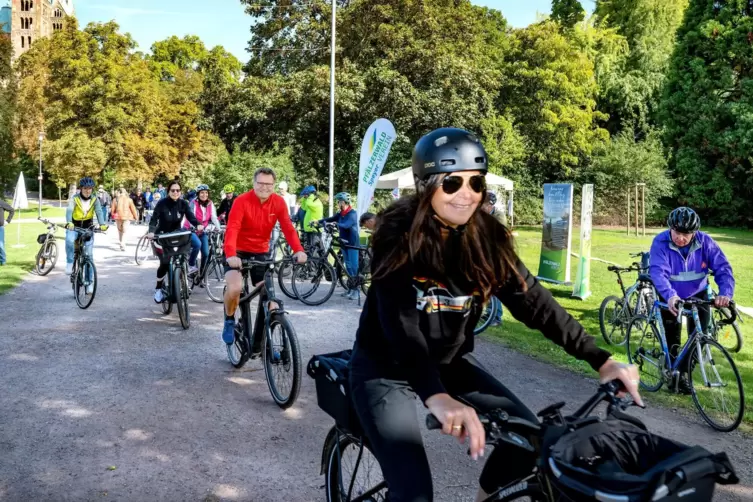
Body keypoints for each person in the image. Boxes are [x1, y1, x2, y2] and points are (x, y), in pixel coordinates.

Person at [347, 127, 642, 502]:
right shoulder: (397, 236)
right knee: (414, 493)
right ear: (426, 186)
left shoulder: (486, 238)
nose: (466, 194)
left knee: (529, 441)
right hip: (384, 369)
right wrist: (435, 395)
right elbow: (401, 325)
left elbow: (533, 302)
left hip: (446, 364)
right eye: (452, 183)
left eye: (476, 182)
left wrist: (600, 360)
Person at [649, 206, 734, 393]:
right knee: (673, 337)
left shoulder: (706, 242)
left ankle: (683, 374)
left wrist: (725, 293)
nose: (681, 238)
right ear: (670, 228)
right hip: (670, 294)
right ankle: (671, 374)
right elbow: (658, 272)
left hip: (699, 293)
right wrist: (670, 296)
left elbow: (723, 268)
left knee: (701, 335)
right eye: (677, 232)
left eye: (686, 234)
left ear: (694, 232)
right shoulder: (660, 242)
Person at [221, 168, 307, 349]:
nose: (264, 187)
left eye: (268, 184)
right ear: (254, 183)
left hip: (261, 252)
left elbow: (288, 228)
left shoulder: (278, 202)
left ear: (274, 186)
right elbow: (233, 228)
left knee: (269, 297)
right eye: (260, 183)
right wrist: (231, 254)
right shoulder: (241, 201)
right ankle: (229, 319)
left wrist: (298, 250)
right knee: (235, 287)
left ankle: (272, 331)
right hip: (236, 251)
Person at [147, 181, 203, 303]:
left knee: (192, 247)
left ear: (180, 192)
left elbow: (190, 216)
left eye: (178, 190)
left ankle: (183, 276)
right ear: (168, 191)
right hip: (162, 235)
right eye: (173, 190)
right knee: (165, 263)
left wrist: (198, 224)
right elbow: (154, 219)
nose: (175, 192)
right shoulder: (162, 203)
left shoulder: (183, 203)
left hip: (178, 233)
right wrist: (151, 231)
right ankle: (158, 289)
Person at [65, 177, 108, 292]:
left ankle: (89, 283)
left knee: (89, 256)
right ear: (81, 189)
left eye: (90, 189)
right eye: (85, 188)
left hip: (88, 228)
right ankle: (69, 262)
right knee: (69, 240)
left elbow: (99, 211)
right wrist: (69, 222)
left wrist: (102, 224)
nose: (87, 191)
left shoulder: (95, 199)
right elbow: (69, 210)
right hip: (74, 226)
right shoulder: (75, 198)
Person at [317, 192, 360, 300]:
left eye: (339, 201)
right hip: (344, 243)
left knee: (353, 268)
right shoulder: (341, 213)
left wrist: (336, 224)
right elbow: (331, 218)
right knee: (348, 267)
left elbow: (346, 225)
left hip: (352, 243)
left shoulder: (352, 214)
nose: (338, 203)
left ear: (344, 202)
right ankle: (350, 288)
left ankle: (357, 291)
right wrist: (318, 221)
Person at [184, 184, 221, 275]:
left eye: (206, 193)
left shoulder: (210, 203)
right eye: (202, 193)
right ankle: (191, 265)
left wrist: (219, 228)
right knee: (197, 245)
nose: (204, 195)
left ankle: (202, 274)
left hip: (202, 231)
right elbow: (190, 216)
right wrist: (196, 226)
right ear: (198, 194)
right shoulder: (193, 202)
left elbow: (213, 217)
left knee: (206, 253)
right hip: (190, 229)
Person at [299, 185, 323, 251]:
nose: (305, 196)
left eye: (306, 195)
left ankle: (317, 261)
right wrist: (305, 197)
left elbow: (309, 204)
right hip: (309, 230)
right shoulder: (311, 203)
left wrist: (311, 195)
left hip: (315, 230)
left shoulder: (317, 203)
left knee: (315, 251)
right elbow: (303, 207)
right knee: (310, 250)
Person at [0, 196, 15, 266]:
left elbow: (12, 210)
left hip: (0, 227)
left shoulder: (1, 203)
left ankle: (3, 261)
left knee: (0, 245)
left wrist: (8, 221)